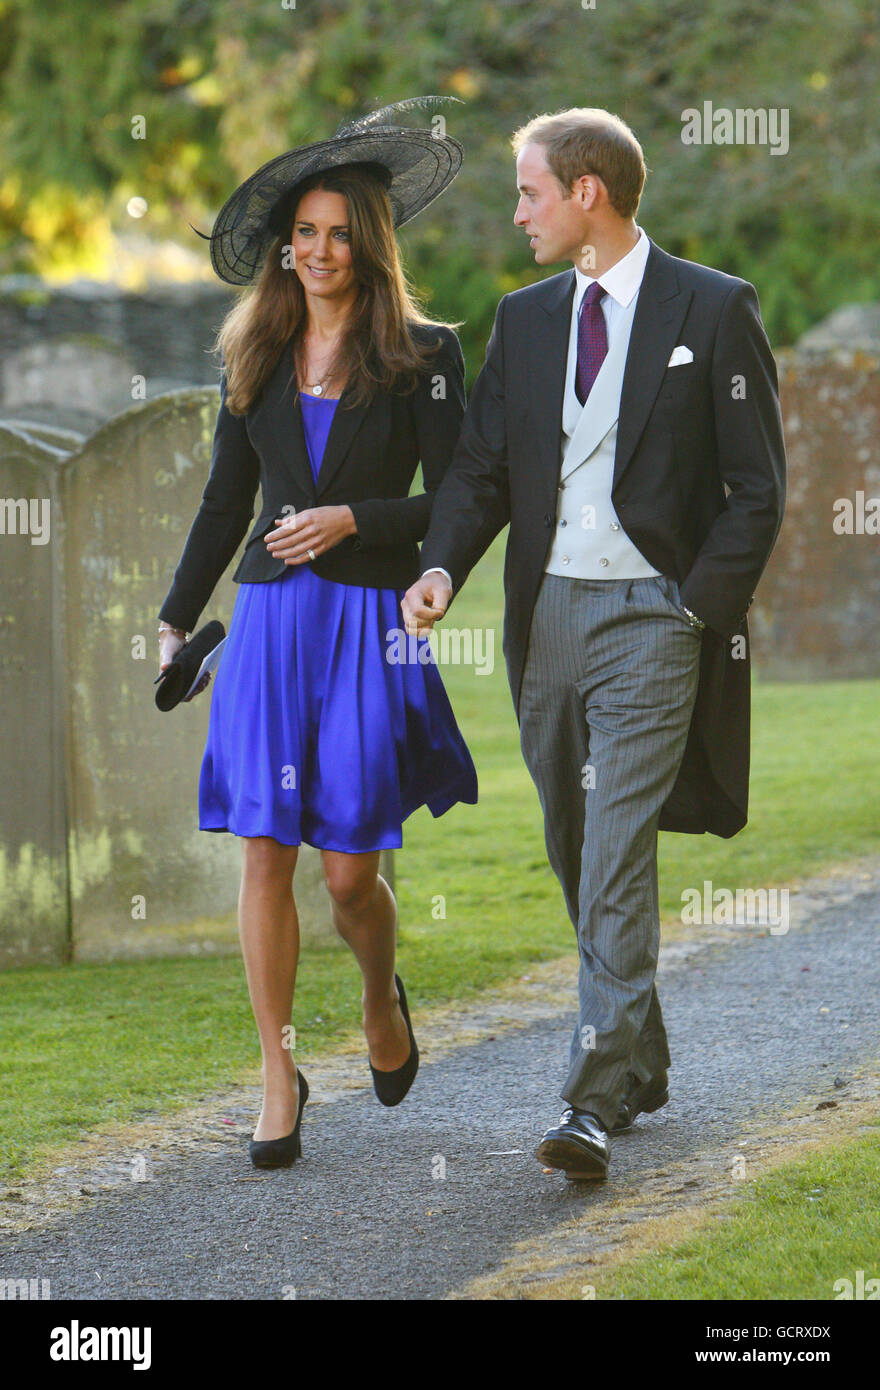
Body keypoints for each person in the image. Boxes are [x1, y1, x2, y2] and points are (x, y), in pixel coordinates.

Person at [403, 107, 786, 1182]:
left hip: (654, 623)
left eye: (528, 191)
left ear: (587, 193)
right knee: (575, 846)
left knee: (617, 846)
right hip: (546, 621)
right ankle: (641, 1060)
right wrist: (438, 567)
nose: (516, 212)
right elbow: (480, 470)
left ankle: (587, 1101)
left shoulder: (713, 308)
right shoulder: (524, 322)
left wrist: (693, 610)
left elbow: (757, 489)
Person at [156, 100, 477, 1169]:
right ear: (284, 247)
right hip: (268, 624)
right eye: (305, 231)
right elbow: (220, 503)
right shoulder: (252, 351)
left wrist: (356, 520)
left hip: (367, 624)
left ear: (370, 243)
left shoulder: (425, 353)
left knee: (347, 873)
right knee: (265, 849)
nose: (321, 249)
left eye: (341, 231)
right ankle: (278, 1070)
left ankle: (381, 998)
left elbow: (465, 495)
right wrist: (171, 616)